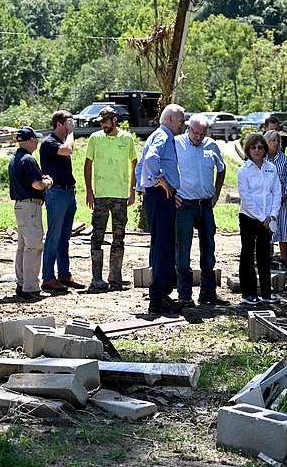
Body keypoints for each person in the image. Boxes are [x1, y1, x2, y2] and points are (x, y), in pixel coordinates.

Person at [135, 104, 186, 314]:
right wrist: (161, 181)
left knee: (163, 245)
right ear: (171, 119)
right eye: (181, 120)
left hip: (159, 196)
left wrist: (147, 185)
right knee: (163, 246)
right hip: (159, 195)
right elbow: (150, 160)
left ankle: (162, 294)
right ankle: (158, 297)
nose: (183, 124)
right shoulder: (163, 136)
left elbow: (140, 166)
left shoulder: (160, 135)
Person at [174, 113, 227, 307]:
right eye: (195, 133)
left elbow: (221, 169)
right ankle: (184, 294)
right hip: (184, 205)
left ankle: (208, 292)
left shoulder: (212, 146)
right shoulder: (176, 143)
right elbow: (165, 168)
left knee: (208, 249)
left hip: (205, 205)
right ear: (188, 129)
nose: (198, 137)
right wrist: (172, 193)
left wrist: (216, 193)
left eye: (202, 134)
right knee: (183, 249)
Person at [84, 106, 137, 292]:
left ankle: (115, 278)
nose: (102, 125)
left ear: (114, 119)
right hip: (100, 195)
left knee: (119, 237)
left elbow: (134, 164)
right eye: (101, 122)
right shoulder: (95, 139)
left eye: (105, 121)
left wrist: (132, 190)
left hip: (120, 196)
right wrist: (89, 191)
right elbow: (88, 164)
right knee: (97, 236)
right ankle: (96, 278)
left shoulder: (127, 139)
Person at [40, 110, 85, 293]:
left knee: (64, 237)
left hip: (68, 193)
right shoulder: (49, 142)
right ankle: (48, 277)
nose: (72, 123)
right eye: (69, 121)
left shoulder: (60, 141)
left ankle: (64, 274)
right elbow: (67, 150)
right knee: (54, 236)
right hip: (56, 193)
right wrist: (72, 132)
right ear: (59, 124)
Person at [237, 133, 282, 305]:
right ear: (248, 149)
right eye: (253, 147)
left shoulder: (271, 168)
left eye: (260, 147)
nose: (257, 150)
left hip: (268, 218)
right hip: (249, 217)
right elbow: (246, 198)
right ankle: (248, 293)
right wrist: (262, 217)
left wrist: (272, 215)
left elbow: (277, 193)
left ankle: (266, 292)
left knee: (264, 255)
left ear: (264, 149)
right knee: (247, 254)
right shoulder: (243, 170)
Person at [9, 127, 53, 301]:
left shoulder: (15, 158)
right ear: (30, 140)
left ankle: (22, 283)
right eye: (35, 139)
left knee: (22, 247)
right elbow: (36, 184)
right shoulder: (28, 159)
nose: (36, 142)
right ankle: (31, 287)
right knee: (33, 247)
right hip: (30, 206)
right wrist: (47, 182)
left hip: (20, 206)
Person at [263, 130, 287, 270]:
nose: (276, 143)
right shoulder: (262, 159)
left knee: (283, 229)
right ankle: (267, 258)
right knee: (268, 229)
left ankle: (283, 260)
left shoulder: (283, 158)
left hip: (283, 200)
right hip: (267, 201)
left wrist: (285, 196)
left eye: (278, 141)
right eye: (273, 140)